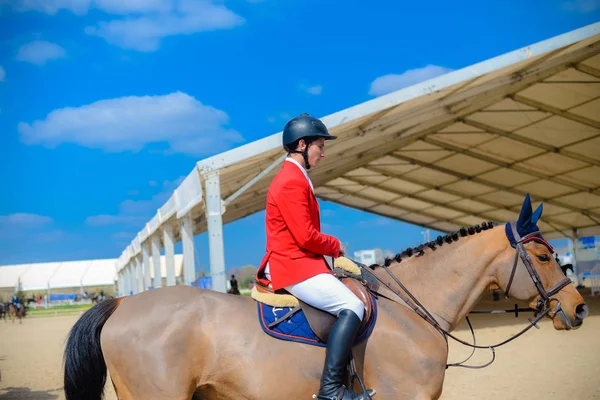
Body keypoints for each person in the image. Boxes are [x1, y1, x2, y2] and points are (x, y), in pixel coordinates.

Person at [256, 113, 375, 400]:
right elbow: (305, 236)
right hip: (293, 265)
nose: (323, 152)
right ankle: (331, 390)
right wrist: (335, 245)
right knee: (352, 305)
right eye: (319, 145)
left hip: (302, 262)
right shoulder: (291, 181)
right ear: (301, 145)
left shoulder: (297, 177)